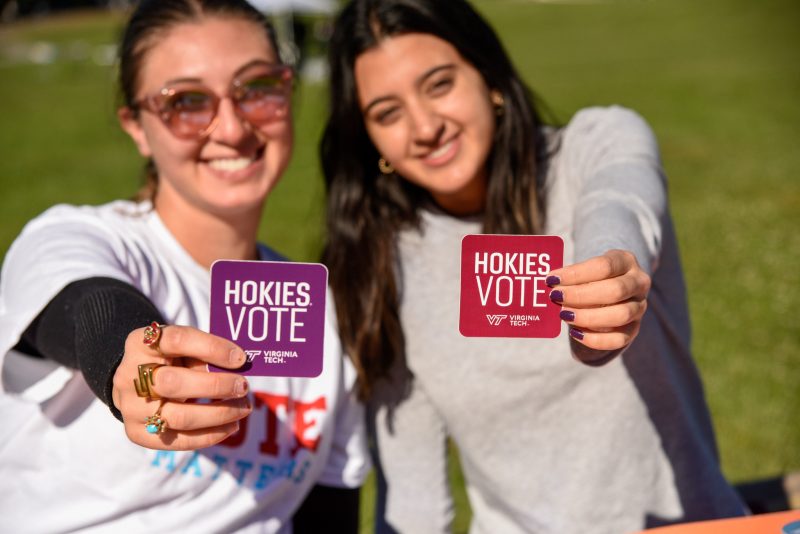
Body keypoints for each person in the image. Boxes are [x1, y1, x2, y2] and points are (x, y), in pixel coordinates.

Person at [319, 0, 747, 532]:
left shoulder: (594, 146)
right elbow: (414, 498)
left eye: (439, 85)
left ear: (488, 76)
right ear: (369, 138)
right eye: (388, 113)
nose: (424, 126)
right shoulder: (381, 263)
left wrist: (611, 268)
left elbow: (620, 201)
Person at [0, 1, 368, 532]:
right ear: (138, 126)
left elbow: (327, 512)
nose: (232, 127)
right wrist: (127, 362)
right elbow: (87, 304)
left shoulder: (325, 315)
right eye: (187, 101)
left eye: (258, 87)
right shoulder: (78, 237)